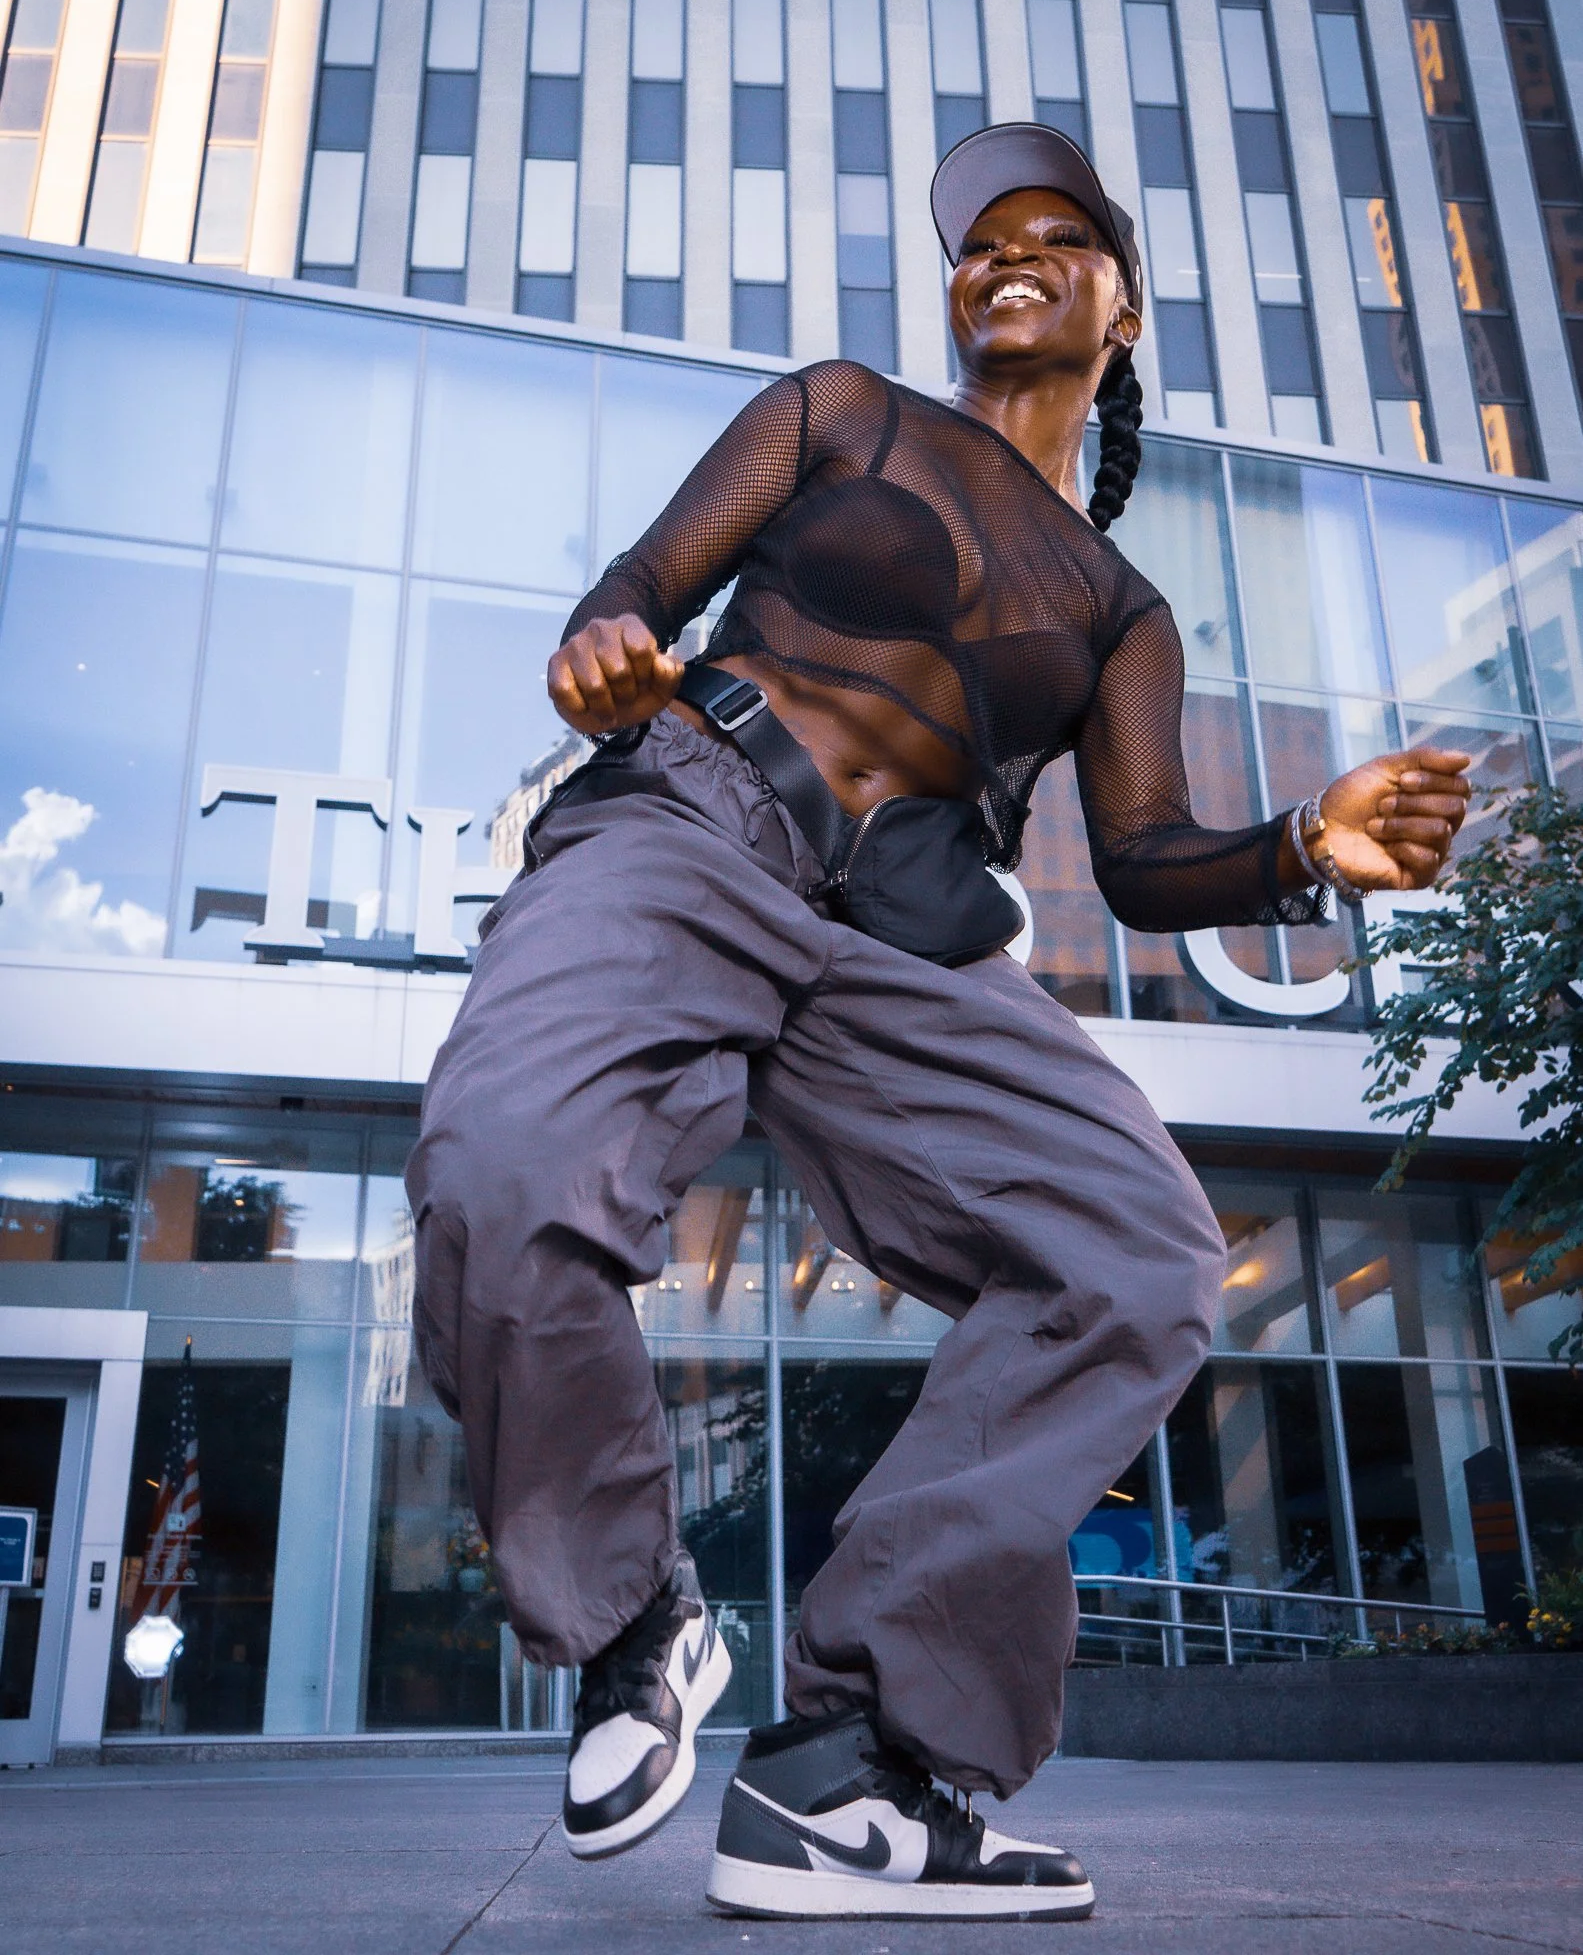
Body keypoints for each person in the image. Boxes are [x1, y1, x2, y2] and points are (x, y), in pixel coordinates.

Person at [405, 124, 1471, 1922]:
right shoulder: (839, 415)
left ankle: (852, 1767)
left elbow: (1139, 865)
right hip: (686, 823)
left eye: (1059, 237)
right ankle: (635, 1626)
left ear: (1120, 310)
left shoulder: (1122, 612)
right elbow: (641, 591)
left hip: (902, 942)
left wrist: (1307, 846)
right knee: (505, 1165)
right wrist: (601, 639)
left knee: (1134, 1246)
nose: (1010, 255)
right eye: (983, 240)